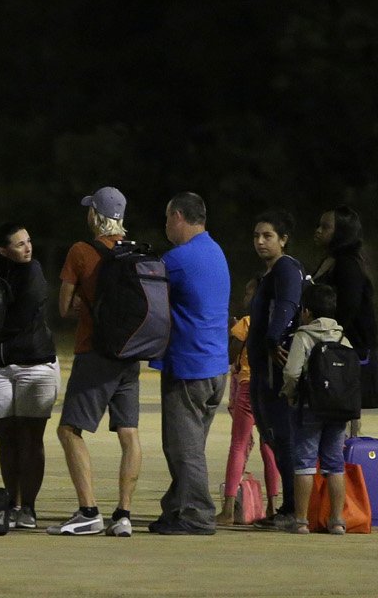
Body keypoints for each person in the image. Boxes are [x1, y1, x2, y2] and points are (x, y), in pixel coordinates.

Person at [47, 186, 140, 537]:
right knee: (129, 433)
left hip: (95, 351)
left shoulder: (81, 251)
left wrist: (87, 308)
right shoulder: (133, 251)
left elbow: (63, 306)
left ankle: (88, 511)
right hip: (130, 355)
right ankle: (124, 514)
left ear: (95, 215)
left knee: (69, 430)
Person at [147, 192, 230, 535]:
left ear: (179, 217)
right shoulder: (215, 250)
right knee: (188, 446)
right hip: (215, 366)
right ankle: (178, 506)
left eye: (168, 219)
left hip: (190, 366)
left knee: (184, 449)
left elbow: (146, 292)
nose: (166, 226)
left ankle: (197, 514)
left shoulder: (177, 259)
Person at [0, 221, 58, 531]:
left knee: (30, 439)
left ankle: (30, 507)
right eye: (20, 243)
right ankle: (12, 503)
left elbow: (20, 317)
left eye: (29, 240)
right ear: (3, 250)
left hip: (35, 364)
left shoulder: (33, 271)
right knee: (7, 440)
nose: (28, 247)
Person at [247, 209, 304, 531]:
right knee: (273, 436)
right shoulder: (270, 273)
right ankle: (291, 505)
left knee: (284, 437)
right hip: (260, 368)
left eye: (268, 236)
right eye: (256, 235)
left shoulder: (285, 268)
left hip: (273, 370)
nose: (260, 241)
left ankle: (295, 508)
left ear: (283, 239)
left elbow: (287, 306)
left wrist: (273, 339)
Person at [279, 283, 353, 535]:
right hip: (338, 409)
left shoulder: (304, 336)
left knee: (305, 463)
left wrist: (289, 394)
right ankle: (337, 521)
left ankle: (301, 521)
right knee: (335, 464)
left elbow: (291, 372)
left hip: (310, 407)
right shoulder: (343, 338)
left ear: (307, 311)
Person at [216, 279, 282, 525]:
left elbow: (231, 355)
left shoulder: (246, 323)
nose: (245, 297)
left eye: (248, 292)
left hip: (247, 388)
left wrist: (234, 332)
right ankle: (274, 506)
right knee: (269, 447)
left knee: (239, 445)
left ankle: (229, 508)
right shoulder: (278, 323)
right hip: (270, 389)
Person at [313, 206, 378, 424]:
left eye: (325, 227)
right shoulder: (332, 259)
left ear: (342, 232)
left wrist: (330, 337)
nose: (318, 230)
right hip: (337, 349)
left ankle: (346, 458)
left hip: (347, 352)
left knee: (343, 416)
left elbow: (348, 308)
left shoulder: (347, 264)